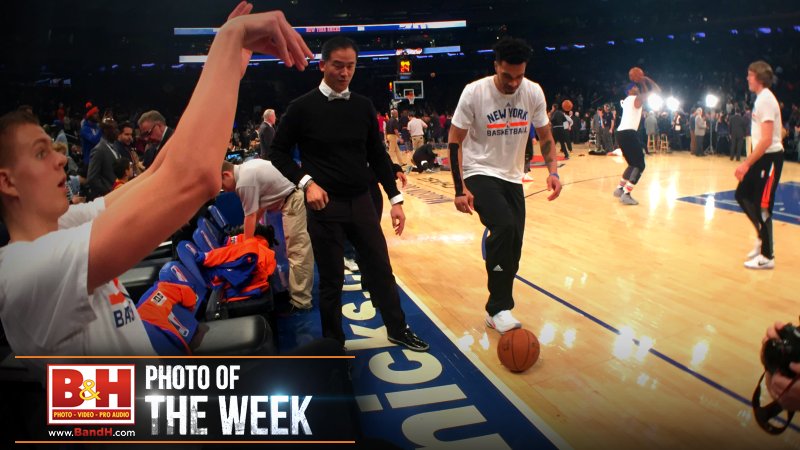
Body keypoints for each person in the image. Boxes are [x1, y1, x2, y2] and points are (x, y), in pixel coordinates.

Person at [0, 2, 312, 374]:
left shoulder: (66, 224)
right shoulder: (24, 271)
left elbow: (160, 169)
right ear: (7, 182)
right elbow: (195, 177)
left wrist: (228, 63)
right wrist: (230, 40)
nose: (60, 160)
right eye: (39, 153)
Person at [268, 36, 428, 352]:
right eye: (338, 66)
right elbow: (278, 153)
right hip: (324, 206)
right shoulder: (301, 108)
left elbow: (378, 155)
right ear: (322, 65)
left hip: (362, 201)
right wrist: (306, 183)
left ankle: (398, 329)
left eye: (350, 66)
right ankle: (334, 347)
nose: (344, 73)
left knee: (381, 270)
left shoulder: (363, 106)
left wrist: (395, 199)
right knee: (331, 282)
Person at [447, 37, 562, 333]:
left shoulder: (533, 91)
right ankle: (498, 308)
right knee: (505, 226)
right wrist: (460, 189)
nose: (513, 83)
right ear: (496, 66)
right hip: (478, 170)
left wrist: (553, 171)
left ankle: (497, 245)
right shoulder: (474, 92)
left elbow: (546, 136)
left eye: (519, 76)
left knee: (514, 248)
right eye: (507, 76)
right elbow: (454, 141)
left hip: (511, 175)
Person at [221, 158, 314, 310]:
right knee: (294, 251)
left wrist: (246, 249)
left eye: (223, 186)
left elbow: (250, 216)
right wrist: (246, 237)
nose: (225, 190)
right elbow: (258, 209)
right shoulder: (246, 169)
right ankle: (296, 292)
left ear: (226, 175)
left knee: (298, 252)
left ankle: (301, 302)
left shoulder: (244, 181)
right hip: (291, 198)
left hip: (293, 200)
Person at [735, 60, 784, 270]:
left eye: (750, 74)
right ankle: (762, 237)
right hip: (763, 157)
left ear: (759, 78)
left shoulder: (765, 100)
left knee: (763, 206)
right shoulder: (762, 99)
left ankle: (767, 256)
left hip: (769, 159)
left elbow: (765, 140)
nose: (747, 78)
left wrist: (746, 164)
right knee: (742, 194)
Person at [612, 76, 661, 206]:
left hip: (622, 133)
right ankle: (626, 194)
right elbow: (656, 91)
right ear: (629, 91)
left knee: (632, 164)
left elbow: (645, 95)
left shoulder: (629, 100)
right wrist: (646, 79)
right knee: (640, 165)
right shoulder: (634, 98)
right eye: (634, 87)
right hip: (628, 133)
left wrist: (642, 83)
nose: (636, 87)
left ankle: (620, 188)